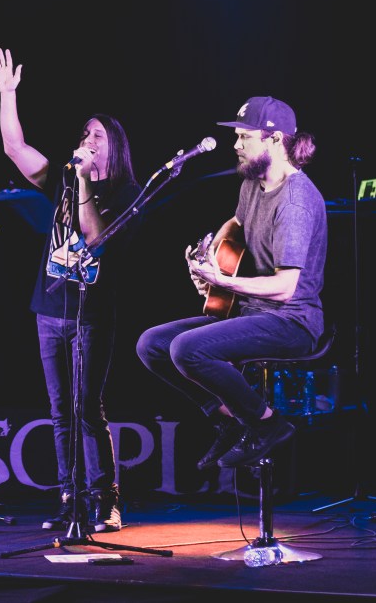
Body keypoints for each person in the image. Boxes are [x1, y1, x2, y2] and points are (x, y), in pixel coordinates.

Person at [0, 48, 141, 533]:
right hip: (49, 309)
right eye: (84, 134)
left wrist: (84, 179)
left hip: (92, 314)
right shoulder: (62, 179)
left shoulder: (126, 193)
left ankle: (106, 500)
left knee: (87, 408)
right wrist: (8, 95)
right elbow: (14, 147)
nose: (87, 140)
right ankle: (69, 499)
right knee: (59, 411)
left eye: (97, 136)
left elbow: (93, 235)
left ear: (114, 148)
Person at [136, 96, 326, 471]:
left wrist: (224, 280)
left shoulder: (295, 201)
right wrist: (212, 256)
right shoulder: (253, 184)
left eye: (244, 137)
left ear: (275, 140)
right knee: (152, 345)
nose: (236, 145)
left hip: (292, 321)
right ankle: (227, 418)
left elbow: (285, 287)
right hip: (254, 313)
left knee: (187, 349)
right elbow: (236, 224)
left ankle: (266, 424)